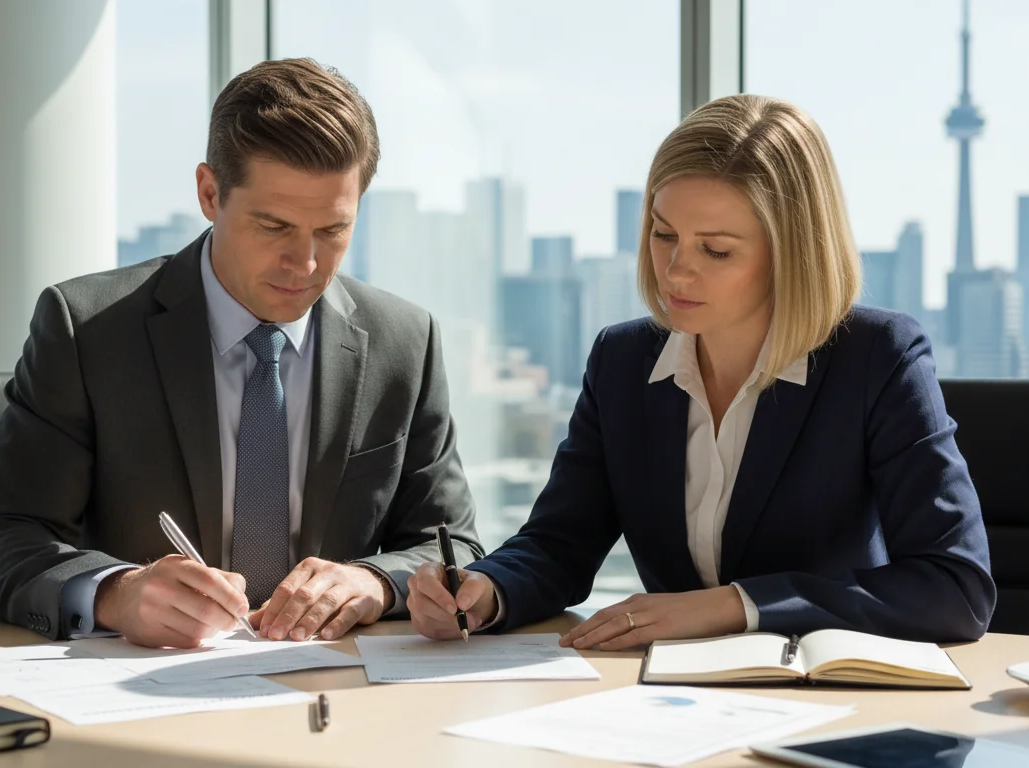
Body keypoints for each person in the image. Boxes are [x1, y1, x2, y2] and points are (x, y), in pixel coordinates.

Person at [407, 94, 995, 649]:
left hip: (827, 709)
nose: (676, 272)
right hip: (672, 705)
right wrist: (488, 591)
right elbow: (560, 542)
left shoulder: (878, 357)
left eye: (715, 250)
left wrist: (733, 605)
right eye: (664, 236)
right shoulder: (622, 361)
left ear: (792, 253)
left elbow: (955, 588)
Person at [0, 58, 482, 648]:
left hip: (337, 693)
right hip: (138, 699)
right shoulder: (89, 330)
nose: (305, 264)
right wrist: (116, 593)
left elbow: (455, 547)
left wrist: (375, 581)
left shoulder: (405, 342)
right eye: (274, 226)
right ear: (209, 193)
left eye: (332, 230)